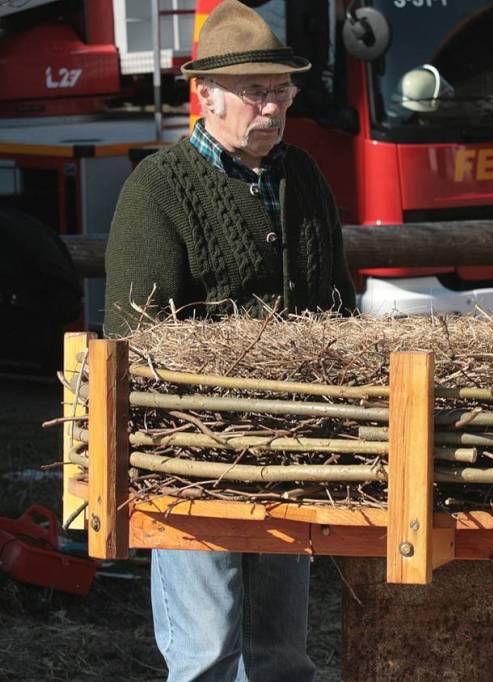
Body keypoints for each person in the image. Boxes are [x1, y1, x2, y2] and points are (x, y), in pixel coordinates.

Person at [103, 1, 356, 679]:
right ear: (205, 95)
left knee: (280, 653)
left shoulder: (303, 179)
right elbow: (136, 335)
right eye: (254, 93)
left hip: (293, 451)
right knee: (209, 648)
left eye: (281, 92)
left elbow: (340, 305)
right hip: (194, 456)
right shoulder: (159, 190)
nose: (271, 110)